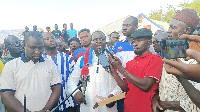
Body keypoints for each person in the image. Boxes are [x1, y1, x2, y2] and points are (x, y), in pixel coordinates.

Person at [152, 9, 200, 112]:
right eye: (169, 26)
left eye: (173, 27)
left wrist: (168, 104)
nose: (168, 30)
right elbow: (164, 86)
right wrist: (156, 96)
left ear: (187, 31)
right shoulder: (168, 55)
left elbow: (196, 104)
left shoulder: (196, 60)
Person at [0, 31, 61, 112]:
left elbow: (57, 88)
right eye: (33, 47)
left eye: (40, 47)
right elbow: (6, 96)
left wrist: (46, 109)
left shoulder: (50, 64)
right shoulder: (11, 66)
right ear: (24, 45)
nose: (37, 51)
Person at [109, 28, 163, 112]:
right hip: (128, 108)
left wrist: (121, 68)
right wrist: (113, 70)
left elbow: (146, 86)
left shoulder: (155, 59)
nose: (135, 44)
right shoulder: (130, 63)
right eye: (134, 41)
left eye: (139, 40)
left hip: (146, 109)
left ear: (149, 42)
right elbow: (125, 89)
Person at [67, 31, 121, 112]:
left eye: (101, 39)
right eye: (95, 39)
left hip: (107, 105)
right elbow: (71, 80)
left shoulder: (114, 59)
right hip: (88, 105)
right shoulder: (82, 60)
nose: (98, 41)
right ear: (91, 42)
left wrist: (114, 95)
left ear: (106, 41)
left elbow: (122, 82)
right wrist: (76, 92)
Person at [42, 32, 77, 112]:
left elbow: (74, 79)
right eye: (47, 39)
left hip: (67, 102)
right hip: (46, 104)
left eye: (52, 38)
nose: (51, 40)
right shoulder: (40, 59)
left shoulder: (67, 58)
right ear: (41, 42)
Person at [112, 16, 138, 112]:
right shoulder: (117, 45)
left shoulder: (142, 45)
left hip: (138, 87)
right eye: (123, 25)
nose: (124, 28)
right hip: (121, 88)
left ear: (136, 27)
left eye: (128, 25)